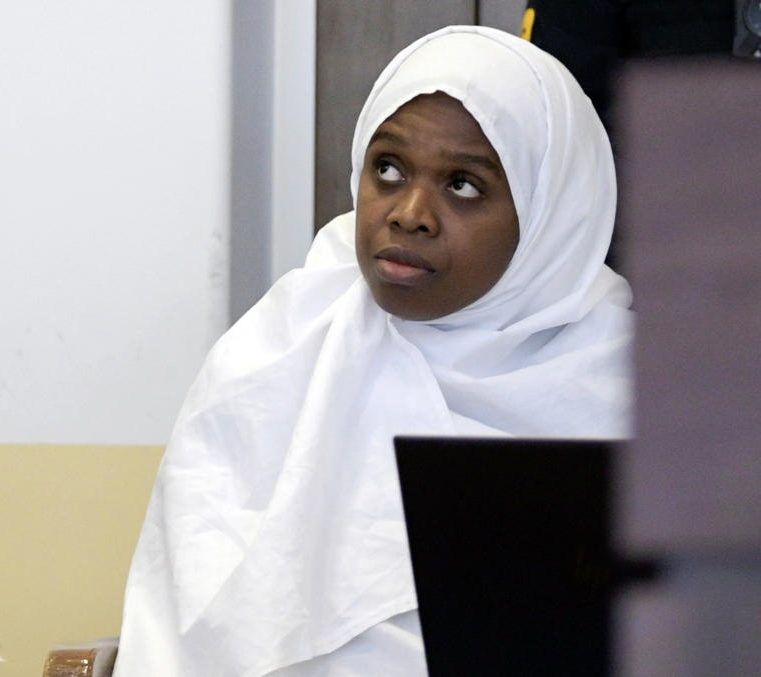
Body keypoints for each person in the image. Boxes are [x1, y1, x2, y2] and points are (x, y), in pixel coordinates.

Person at [112, 25, 633, 677]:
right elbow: (186, 630)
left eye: (463, 185)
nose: (410, 212)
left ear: (551, 217)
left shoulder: (638, 395)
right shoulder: (277, 353)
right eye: (388, 169)